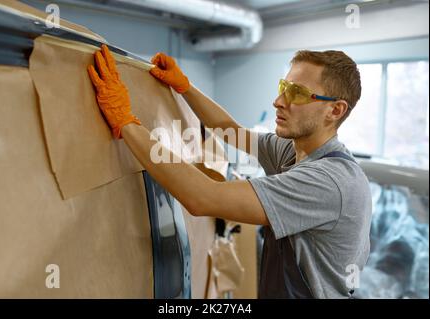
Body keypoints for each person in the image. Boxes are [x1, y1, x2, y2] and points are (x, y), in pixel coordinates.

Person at [87, 45, 372, 299]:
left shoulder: (328, 182)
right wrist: (185, 88)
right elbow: (232, 132)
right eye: (283, 86)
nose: (279, 101)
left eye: (296, 94)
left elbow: (203, 198)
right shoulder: (293, 150)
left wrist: (126, 124)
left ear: (335, 111)